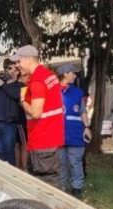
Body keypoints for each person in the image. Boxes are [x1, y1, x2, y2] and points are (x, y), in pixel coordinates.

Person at [17, 45, 64, 186]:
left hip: (42, 140)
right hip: (52, 138)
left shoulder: (37, 81)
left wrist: (23, 101)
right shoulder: (49, 76)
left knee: (44, 185)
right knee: (52, 181)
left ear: (28, 60)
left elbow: (36, 113)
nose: (17, 65)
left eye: (19, 61)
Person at [57, 64, 91, 198]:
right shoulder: (52, 91)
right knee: (61, 163)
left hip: (75, 133)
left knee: (75, 162)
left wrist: (87, 127)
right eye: (73, 73)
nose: (75, 75)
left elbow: (83, 111)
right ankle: (62, 189)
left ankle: (77, 189)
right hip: (58, 133)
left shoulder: (77, 92)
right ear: (65, 74)